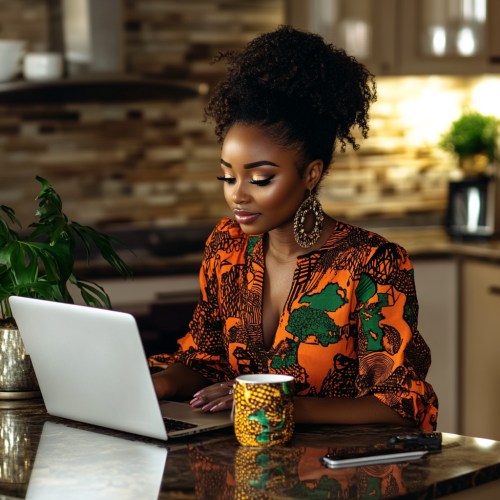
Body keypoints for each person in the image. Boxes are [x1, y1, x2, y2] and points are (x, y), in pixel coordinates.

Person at [150, 26, 438, 431]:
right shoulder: (226, 247)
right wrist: (158, 384)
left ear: (310, 174)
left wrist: (272, 403)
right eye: (228, 177)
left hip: (339, 480)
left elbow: (400, 405)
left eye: (261, 178)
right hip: (243, 469)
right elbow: (204, 359)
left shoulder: (371, 264)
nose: (238, 196)